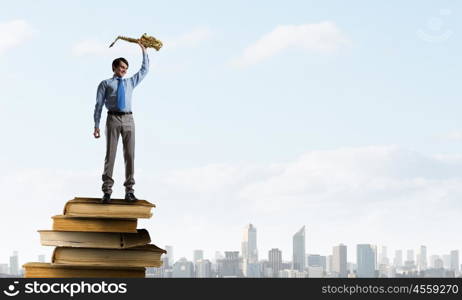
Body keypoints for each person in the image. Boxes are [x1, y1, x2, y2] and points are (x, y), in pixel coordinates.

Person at [93, 41, 149, 203]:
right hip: (113, 119)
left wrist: (143, 50)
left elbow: (144, 70)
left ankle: (129, 191)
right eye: (121, 67)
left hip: (129, 119)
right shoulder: (105, 84)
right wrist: (96, 125)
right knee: (110, 155)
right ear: (114, 68)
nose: (124, 70)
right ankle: (107, 191)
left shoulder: (130, 82)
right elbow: (98, 105)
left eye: (126, 68)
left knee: (130, 155)